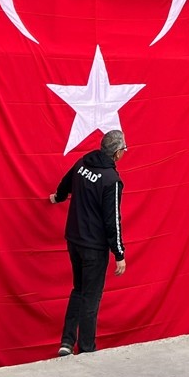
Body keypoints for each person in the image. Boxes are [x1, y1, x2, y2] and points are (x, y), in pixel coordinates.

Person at [49, 129, 127, 357]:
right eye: (124, 150)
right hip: (94, 247)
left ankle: (66, 342)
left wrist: (58, 197)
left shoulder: (83, 163)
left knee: (78, 290)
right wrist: (119, 253)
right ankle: (86, 350)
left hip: (73, 240)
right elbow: (112, 220)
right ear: (116, 153)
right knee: (91, 298)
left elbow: (66, 182)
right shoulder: (112, 180)